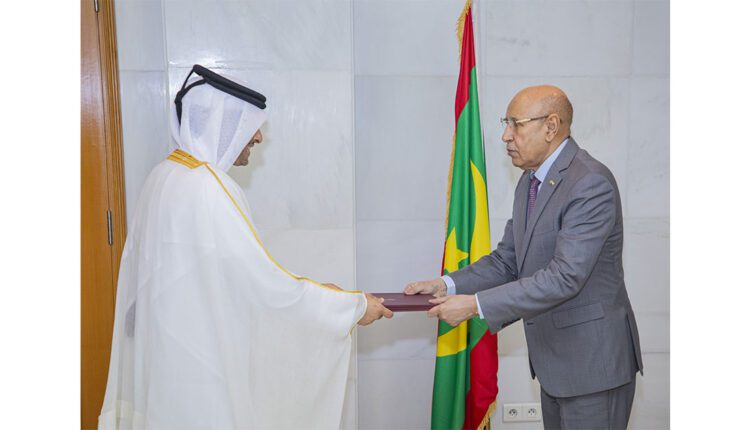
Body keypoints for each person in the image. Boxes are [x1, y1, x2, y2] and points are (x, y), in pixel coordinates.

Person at [99, 65, 392, 430]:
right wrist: (347, 307)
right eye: (248, 125)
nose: (257, 136)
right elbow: (262, 286)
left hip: (166, 368)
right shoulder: (208, 188)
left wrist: (325, 295)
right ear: (221, 123)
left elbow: (229, 277)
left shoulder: (164, 176)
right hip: (201, 374)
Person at [405, 85, 643, 429]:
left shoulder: (589, 183)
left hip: (593, 368)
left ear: (551, 126)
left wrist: (474, 305)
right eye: (506, 124)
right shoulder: (531, 182)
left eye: (516, 124)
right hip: (555, 366)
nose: (506, 135)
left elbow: (564, 277)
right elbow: (508, 261)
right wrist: (447, 285)